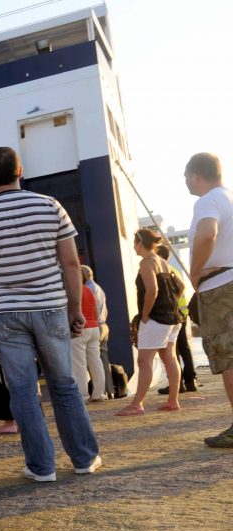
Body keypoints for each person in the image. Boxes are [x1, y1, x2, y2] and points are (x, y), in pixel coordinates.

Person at [0, 146, 100, 482]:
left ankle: (42, 467)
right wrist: (74, 308)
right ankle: (84, 459)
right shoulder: (50, 206)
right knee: (64, 384)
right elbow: (70, 263)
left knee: (23, 389)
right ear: (20, 170)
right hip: (51, 307)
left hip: (4, 312)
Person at [185, 153, 233, 446]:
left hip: (220, 289)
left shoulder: (208, 200)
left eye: (186, 176)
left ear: (195, 175)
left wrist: (193, 272)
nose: (185, 182)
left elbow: (207, 234)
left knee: (228, 357)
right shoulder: (228, 197)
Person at [116, 229, 183, 416]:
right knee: (169, 357)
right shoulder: (163, 262)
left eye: (134, 244)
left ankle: (137, 404)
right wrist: (170, 304)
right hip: (173, 317)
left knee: (144, 360)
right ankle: (172, 401)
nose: (134, 248)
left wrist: (145, 316)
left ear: (139, 242)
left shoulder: (147, 263)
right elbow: (181, 286)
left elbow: (152, 291)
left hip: (156, 319)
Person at [155, 245, 197, 395]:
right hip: (181, 313)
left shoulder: (165, 270)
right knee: (183, 348)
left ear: (160, 255)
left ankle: (177, 384)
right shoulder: (174, 269)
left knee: (172, 350)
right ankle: (190, 381)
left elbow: (182, 287)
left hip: (174, 313)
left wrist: (172, 303)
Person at [71, 265, 107, 402]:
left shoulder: (72, 291)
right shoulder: (88, 290)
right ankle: (99, 393)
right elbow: (96, 312)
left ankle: (83, 395)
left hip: (80, 329)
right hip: (94, 328)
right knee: (95, 362)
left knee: (79, 363)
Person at [82, 265, 115, 397]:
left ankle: (101, 391)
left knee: (94, 360)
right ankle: (108, 390)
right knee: (102, 359)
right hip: (103, 325)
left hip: (94, 325)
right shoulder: (98, 288)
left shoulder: (88, 289)